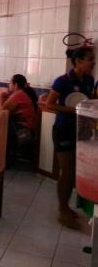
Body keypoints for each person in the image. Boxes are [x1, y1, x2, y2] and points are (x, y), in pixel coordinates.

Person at [46, 46, 95, 228]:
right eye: (90, 59)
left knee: (74, 172)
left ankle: (66, 207)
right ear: (79, 61)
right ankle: (62, 210)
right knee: (66, 172)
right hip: (63, 130)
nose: (93, 62)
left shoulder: (90, 80)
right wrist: (74, 110)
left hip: (82, 131)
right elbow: (50, 104)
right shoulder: (63, 81)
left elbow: (89, 102)